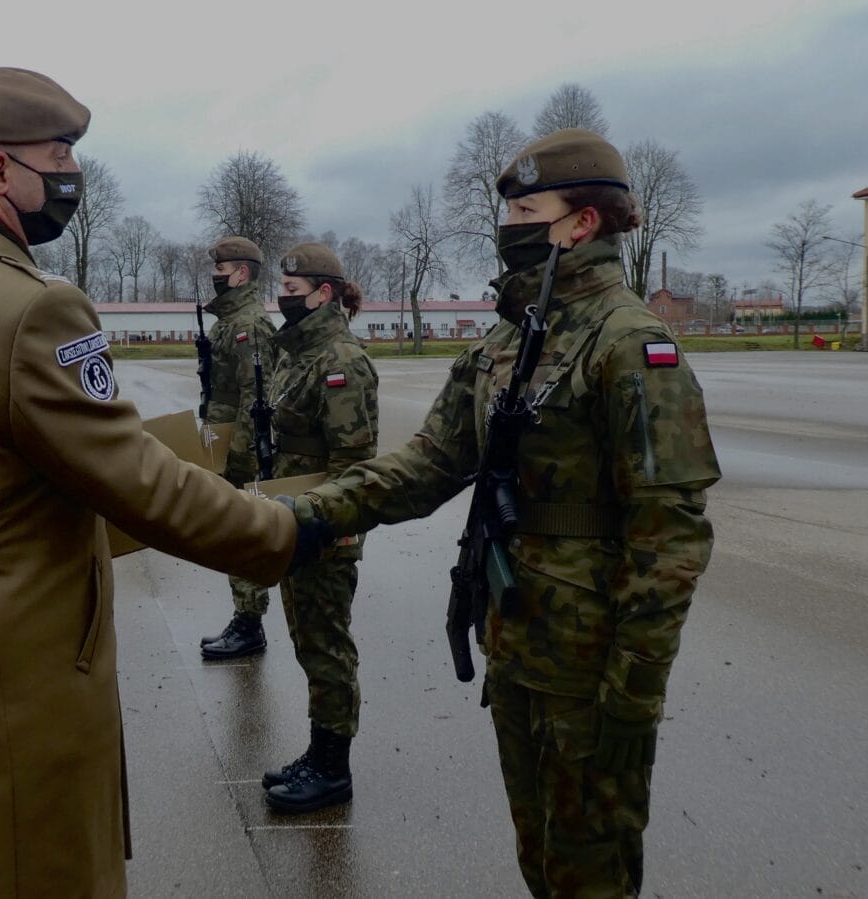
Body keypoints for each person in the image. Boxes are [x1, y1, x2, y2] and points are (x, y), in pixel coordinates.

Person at [0, 67, 298, 898]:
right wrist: (281, 529)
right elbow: (138, 480)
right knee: (32, 863)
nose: (72, 179)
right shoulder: (32, 308)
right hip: (6, 660)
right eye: (58, 157)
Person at [289, 130, 720, 896]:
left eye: (527, 206)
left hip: (591, 670)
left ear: (582, 222)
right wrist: (308, 513)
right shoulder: (504, 342)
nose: (509, 222)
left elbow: (671, 538)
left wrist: (634, 691)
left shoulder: (631, 346)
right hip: (518, 644)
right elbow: (425, 465)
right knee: (539, 857)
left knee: (589, 870)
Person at [261, 242, 379, 814]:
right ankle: (317, 750)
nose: (282, 299)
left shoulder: (340, 362)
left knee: (327, 644)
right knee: (307, 639)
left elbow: (353, 465)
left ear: (323, 294)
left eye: (292, 291)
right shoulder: (298, 352)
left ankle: (334, 768)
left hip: (324, 526)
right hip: (294, 514)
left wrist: (332, 529)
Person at [198, 236, 279, 660]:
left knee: (244, 534)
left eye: (222, 270)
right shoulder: (227, 321)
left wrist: (243, 456)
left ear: (241, 273)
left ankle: (250, 624)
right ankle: (245, 618)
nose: (216, 277)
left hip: (241, 450)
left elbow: (255, 396)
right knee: (232, 533)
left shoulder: (250, 325)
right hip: (225, 441)